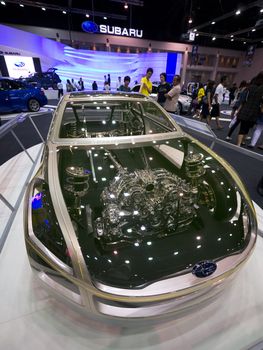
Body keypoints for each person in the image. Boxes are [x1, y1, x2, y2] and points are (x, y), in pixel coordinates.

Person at [236, 72, 263, 147]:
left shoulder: (250, 87)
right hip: (254, 111)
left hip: (245, 109)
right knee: (248, 127)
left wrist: (239, 110)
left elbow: (243, 99)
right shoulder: (261, 89)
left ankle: (238, 144)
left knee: (242, 127)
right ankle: (243, 141)